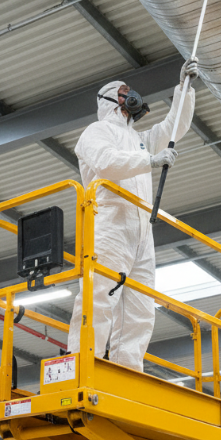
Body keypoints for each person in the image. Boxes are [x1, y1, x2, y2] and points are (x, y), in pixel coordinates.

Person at [66, 58, 199, 372]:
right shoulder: (96, 132)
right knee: (100, 296)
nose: (133, 95)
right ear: (111, 100)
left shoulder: (139, 139)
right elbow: (107, 161)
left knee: (140, 307)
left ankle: (127, 371)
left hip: (141, 230)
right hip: (110, 223)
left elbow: (173, 128)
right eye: (126, 92)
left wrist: (184, 88)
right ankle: (83, 364)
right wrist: (150, 161)